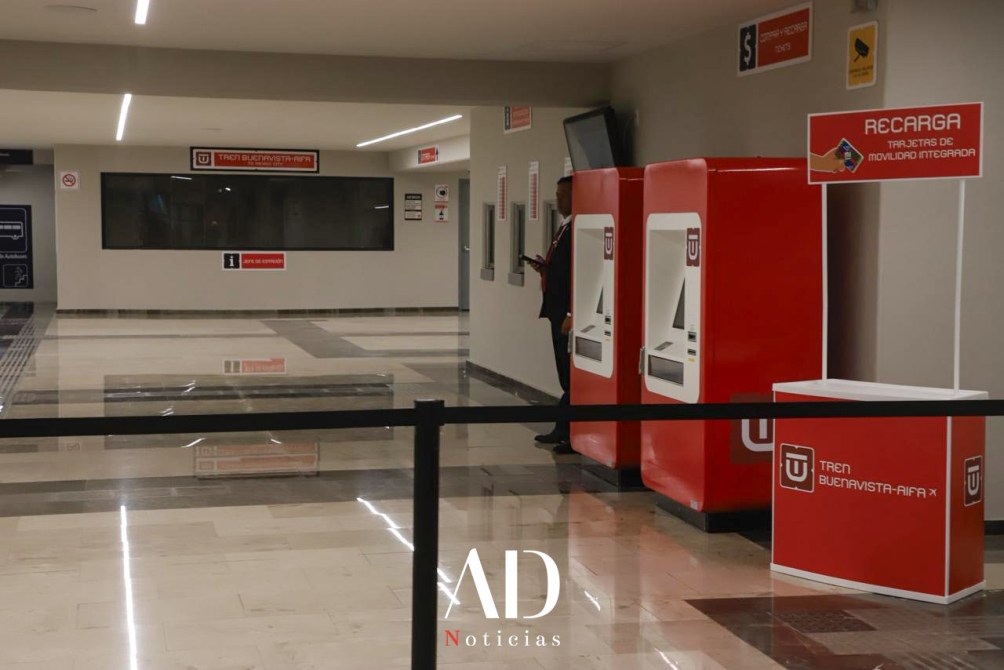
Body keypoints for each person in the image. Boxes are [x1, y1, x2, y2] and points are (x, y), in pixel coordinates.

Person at [528, 176, 574, 454]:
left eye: (563, 195)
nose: (558, 200)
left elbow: (578, 274)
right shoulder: (564, 227)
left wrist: (571, 312)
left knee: (570, 376)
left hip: (567, 315)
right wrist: (545, 269)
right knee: (563, 374)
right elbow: (561, 271)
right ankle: (563, 429)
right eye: (556, 195)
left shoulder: (576, 229)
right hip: (556, 312)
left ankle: (568, 432)